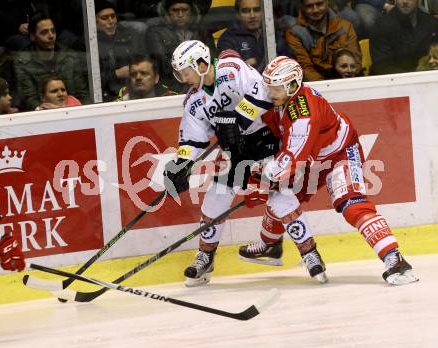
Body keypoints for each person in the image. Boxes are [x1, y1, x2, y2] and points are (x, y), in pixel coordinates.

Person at [238, 56, 418, 286]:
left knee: (352, 204)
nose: (270, 93)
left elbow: (292, 159)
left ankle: (394, 259)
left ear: (292, 85)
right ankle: (271, 245)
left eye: (275, 88)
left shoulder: (304, 113)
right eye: (268, 87)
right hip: (311, 156)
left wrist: (262, 180)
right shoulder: (282, 97)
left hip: (339, 153)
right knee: (281, 196)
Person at [163, 40, 284, 287]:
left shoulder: (231, 68)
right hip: (234, 149)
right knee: (216, 196)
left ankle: (292, 247)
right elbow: (191, 137)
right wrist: (181, 163)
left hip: (264, 137)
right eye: (180, 73)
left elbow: (263, 93)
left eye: (185, 71)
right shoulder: (194, 100)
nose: (183, 78)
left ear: (200, 63)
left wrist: (236, 122)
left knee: (279, 192)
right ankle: (205, 257)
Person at [13, 13, 89, 111]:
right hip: (41, 117)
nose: (51, 35)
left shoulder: (70, 56)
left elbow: (82, 92)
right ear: (32, 36)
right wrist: (44, 111)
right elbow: (28, 97)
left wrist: (85, 111)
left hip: (73, 112)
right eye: (44, 32)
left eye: (53, 31)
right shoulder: (22, 61)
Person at [145, 0, 216, 93]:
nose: (180, 14)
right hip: (171, 87)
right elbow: (164, 66)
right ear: (166, 12)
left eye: (185, 10)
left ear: (191, 11)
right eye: (175, 10)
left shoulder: (201, 30)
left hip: (203, 82)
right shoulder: (155, 32)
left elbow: (212, 57)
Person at [285, 0, 362, 81]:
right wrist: (326, 88)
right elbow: (305, 68)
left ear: (327, 2)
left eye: (319, 4)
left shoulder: (345, 26)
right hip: (317, 85)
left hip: (346, 81)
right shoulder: (294, 33)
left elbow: (355, 61)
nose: (316, 10)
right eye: (309, 6)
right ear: (302, 7)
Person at [94, 0, 145, 101]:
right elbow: (91, 81)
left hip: (135, 90)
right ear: (94, 21)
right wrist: (116, 74)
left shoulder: (131, 35)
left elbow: (145, 61)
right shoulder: (89, 43)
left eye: (113, 16)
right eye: (105, 18)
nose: (111, 21)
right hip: (107, 96)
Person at [370, 0, 438, 75]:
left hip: (428, 79)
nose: (405, 1)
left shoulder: (432, 23)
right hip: (392, 82)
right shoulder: (380, 26)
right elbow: (382, 67)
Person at [217, 0, 266, 72]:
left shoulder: (271, 32)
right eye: (246, 11)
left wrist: (255, 60)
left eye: (257, 10)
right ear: (238, 15)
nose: (252, 15)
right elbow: (233, 72)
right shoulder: (227, 39)